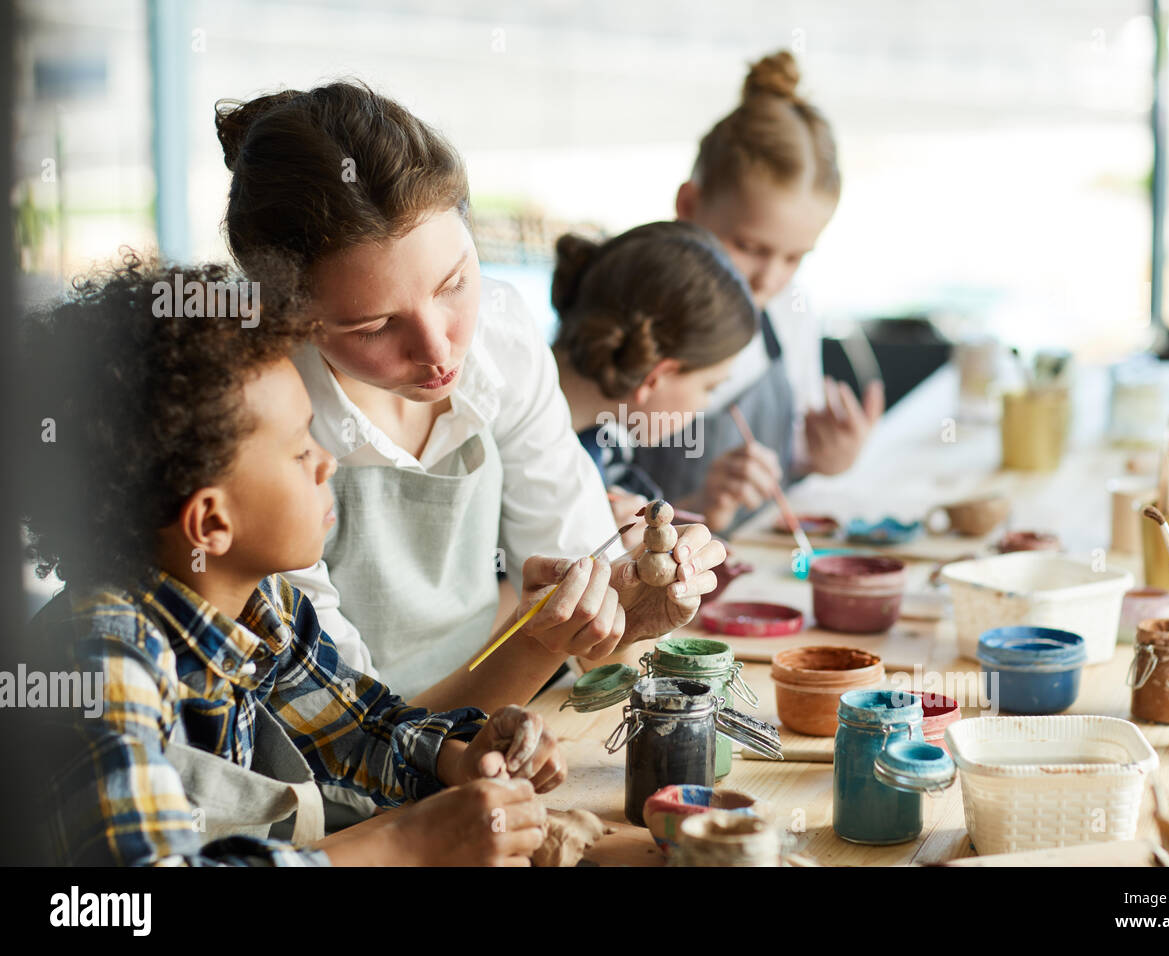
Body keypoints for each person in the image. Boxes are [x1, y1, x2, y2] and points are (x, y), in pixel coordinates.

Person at [20, 257, 563, 865]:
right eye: (301, 449)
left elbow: (355, 731)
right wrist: (404, 844)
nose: (326, 462)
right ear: (211, 523)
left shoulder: (259, 603)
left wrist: (460, 757)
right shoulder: (103, 663)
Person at [214, 82, 725, 725]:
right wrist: (541, 640)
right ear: (289, 318)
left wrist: (629, 609)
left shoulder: (503, 338)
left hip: (496, 715)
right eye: (373, 327)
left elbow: (585, 585)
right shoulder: (259, 423)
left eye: (455, 283)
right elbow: (349, 739)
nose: (439, 350)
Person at [633, 50, 886, 534]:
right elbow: (586, 519)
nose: (769, 279)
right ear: (688, 205)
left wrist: (821, 457)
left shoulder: (789, 312)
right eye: (748, 247)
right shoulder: (629, 323)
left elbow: (788, 457)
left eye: (795, 258)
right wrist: (700, 504)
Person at [551, 221, 757, 544]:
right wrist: (596, 552)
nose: (705, 406)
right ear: (656, 376)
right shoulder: (511, 441)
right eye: (709, 388)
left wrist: (701, 507)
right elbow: (469, 594)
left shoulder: (604, 443)